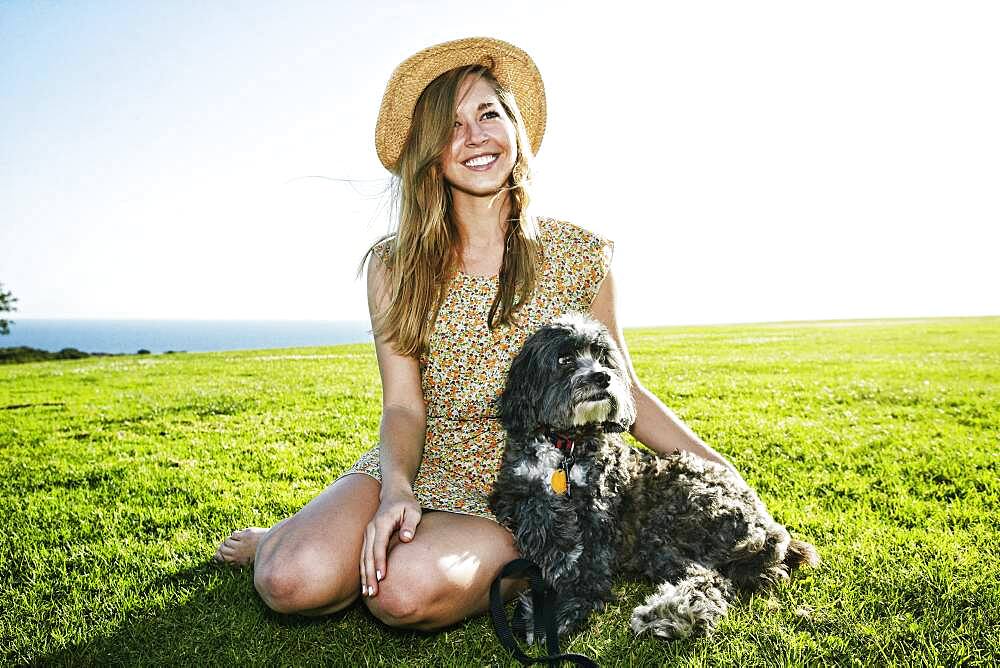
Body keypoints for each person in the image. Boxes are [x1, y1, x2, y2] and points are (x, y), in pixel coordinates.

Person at [214, 36, 743, 631]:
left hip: (534, 487)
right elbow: (403, 406)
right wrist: (395, 491)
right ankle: (287, 539)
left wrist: (726, 474)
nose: (473, 136)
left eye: (488, 113)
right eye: (450, 126)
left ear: (515, 129)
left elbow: (627, 393)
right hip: (421, 460)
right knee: (288, 578)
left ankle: (464, 556)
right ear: (428, 155)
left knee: (400, 595)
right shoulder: (395, 264)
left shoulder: (581, 256)